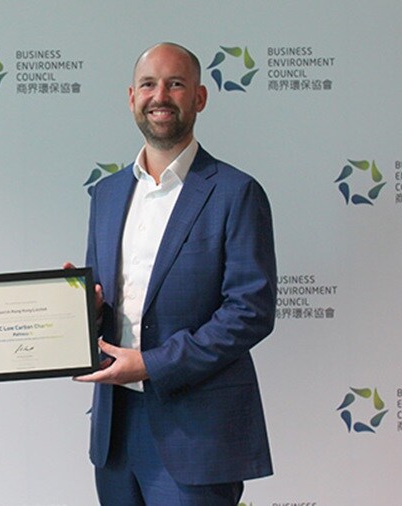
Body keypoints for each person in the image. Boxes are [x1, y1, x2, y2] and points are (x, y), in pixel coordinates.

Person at [74, 43, 277, 505]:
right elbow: (109, 298)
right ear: (131, 97)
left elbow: (251, 311)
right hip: (115, 428)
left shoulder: (236, 192)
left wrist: (153, 364)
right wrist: (83, 306)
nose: (159, 95)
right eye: (148, 84)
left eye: (175, 84)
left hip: (198, 432)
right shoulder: (106, 194)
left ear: (200, 98)